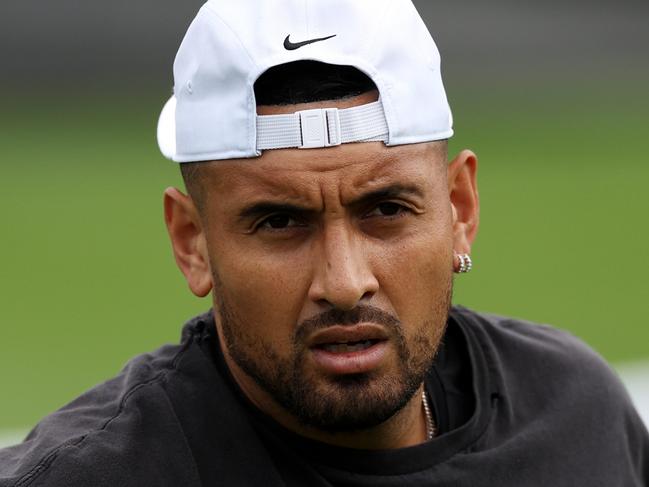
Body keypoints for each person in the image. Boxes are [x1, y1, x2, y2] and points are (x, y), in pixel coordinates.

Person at [1, 0, 647, 485]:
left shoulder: (578, 418)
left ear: (459, 209)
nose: (343, 281)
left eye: (386, 210)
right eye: (280, 222)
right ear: (191, 241)